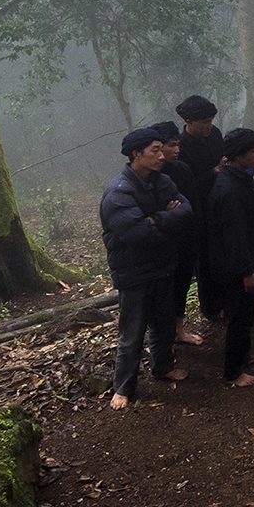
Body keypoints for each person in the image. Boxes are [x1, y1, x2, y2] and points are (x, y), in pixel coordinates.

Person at [102, 127, 194, 409]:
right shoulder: (118, 192)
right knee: (132, 333)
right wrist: (165, 218)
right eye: (154, 150)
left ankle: (162, 366)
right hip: (133, 272)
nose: (161, 155)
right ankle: (123, 386)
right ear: (136, 154)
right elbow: (136, 233)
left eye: (161, 148)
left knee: (164, 324)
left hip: (162, 265)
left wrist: (156, 220)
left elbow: (186, 210)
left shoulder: (162, 181)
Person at [207, 128, 254, 389]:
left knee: (247, 313)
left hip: (247, 258)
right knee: (239, 315)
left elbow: (250, 220)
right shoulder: (229, 189)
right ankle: (233, 371)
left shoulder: (242, 178)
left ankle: (244, 355)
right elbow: (233, 235)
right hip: (235, 267)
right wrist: (246, 271)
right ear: (240, 155)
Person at [147, 120, 206, 347]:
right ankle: (161, 339)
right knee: (162, 292)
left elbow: (190, 206)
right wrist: (169, 214)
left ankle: (179, 330)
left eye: (177, 145)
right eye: (170, 146)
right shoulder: (150, 175)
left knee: (181, 284)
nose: (175, 150)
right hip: (162, 243)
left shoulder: (182, 169)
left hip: (187, 238)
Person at [175, 96, 228, 322]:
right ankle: (211, 307)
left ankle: (228, 298)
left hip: (222, 202)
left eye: (211, 121)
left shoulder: (214, 134)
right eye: (204, 122)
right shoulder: (180, 147)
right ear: (189, 121)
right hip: (199, 209)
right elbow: (185, 185)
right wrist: (213, 173)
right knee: (205, 259)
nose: (209, 126)